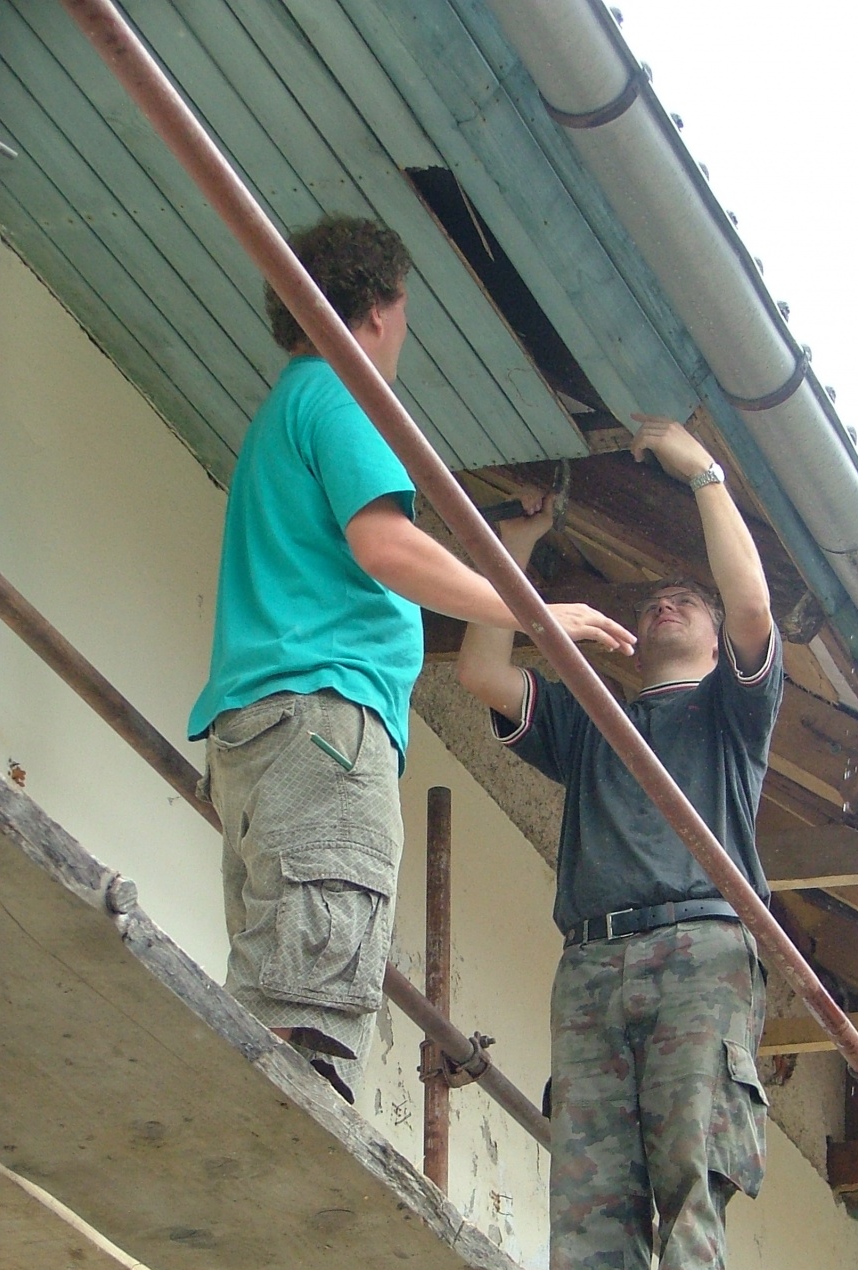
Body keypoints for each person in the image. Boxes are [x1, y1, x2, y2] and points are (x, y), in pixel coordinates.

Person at [188, 216, 633, 1103]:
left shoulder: (289, 406)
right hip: (323, 722)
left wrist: (507, 547)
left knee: (279, 972)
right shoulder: (341, 392)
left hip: (262, 727)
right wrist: (532, 609)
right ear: (383, 310)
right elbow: (386, 548)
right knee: (306, 1005)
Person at [456, 416, 783, 1270]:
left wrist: (702, 477)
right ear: (631, 641)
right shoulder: (594, 717)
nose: (666, 598)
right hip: (593, 962)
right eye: (651, 600)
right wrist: (515, 544)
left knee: (692, 1169)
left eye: (686, 597)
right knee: (593, 1187)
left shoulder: (730, 715)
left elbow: (752, 602)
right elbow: (481, 671)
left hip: (700, 948)